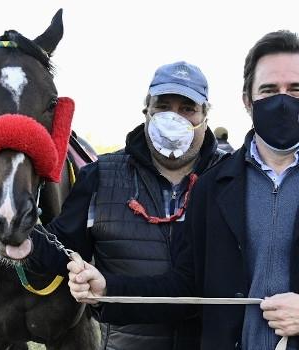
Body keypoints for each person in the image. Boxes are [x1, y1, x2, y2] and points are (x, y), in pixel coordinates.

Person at [67, 30, 299, 350]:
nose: (283, 101)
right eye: (269, 90)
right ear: (247, 101)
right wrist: (109, 289)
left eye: (296, 90)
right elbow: (185, 286)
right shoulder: (214, 185)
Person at [26, 61, 227, 349]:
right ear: (147, 109)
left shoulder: (229, 179)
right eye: (163, 106)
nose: (174, 118)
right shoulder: (102, 176)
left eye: (187, 109)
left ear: (205, 115)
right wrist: (25, 241)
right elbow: (63, 247)